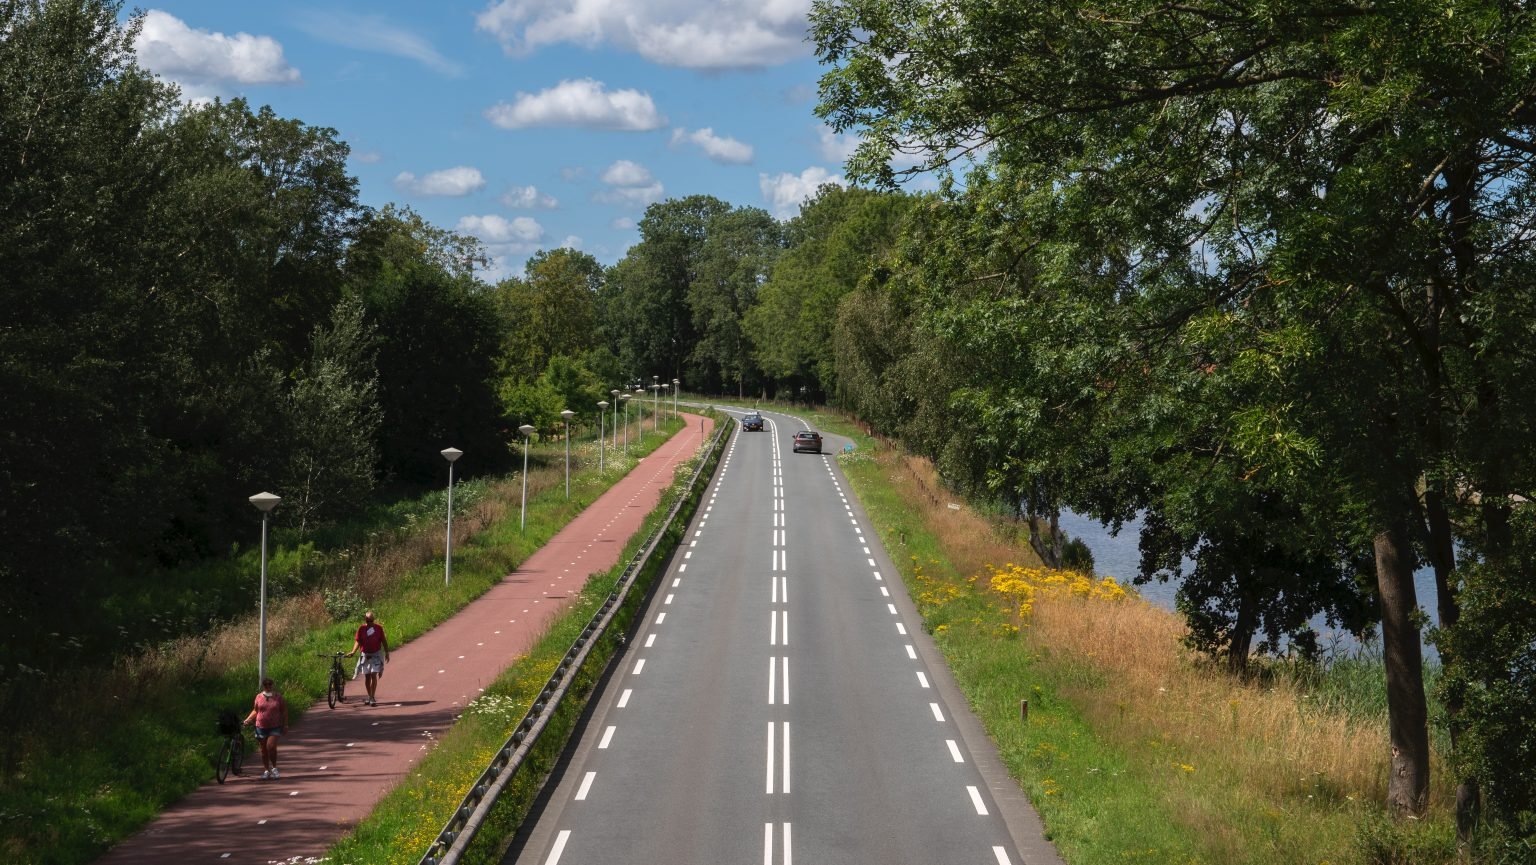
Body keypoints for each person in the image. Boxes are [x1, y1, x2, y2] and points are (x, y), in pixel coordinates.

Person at [243, 677, 288, 779]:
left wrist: (285, 725)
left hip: (275, 726)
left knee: (271, 747)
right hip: (261, 726)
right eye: (266, 685)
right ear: (263, 686)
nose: (268, 686)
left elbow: (284, 711)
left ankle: (274, 768)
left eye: (270, 684)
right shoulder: (259, 697)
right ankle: (266, 770)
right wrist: (248, 719)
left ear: (272, 685)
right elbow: (255, 711)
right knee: (263, 750)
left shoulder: (278, 697)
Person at [348, 610, 390, 706]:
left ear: (373, 620)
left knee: (373, 674)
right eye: (368, 621)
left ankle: (372, 697)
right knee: (367, 676)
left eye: (371, 621)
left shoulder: (378, 628)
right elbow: (358, 641)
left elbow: (383, 640)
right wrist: (353, 651)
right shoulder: (361, 629)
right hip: (365, 655)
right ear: (365, 620)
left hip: (376, 654)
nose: (369, 623)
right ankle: (370, 695)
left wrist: (387, 652)